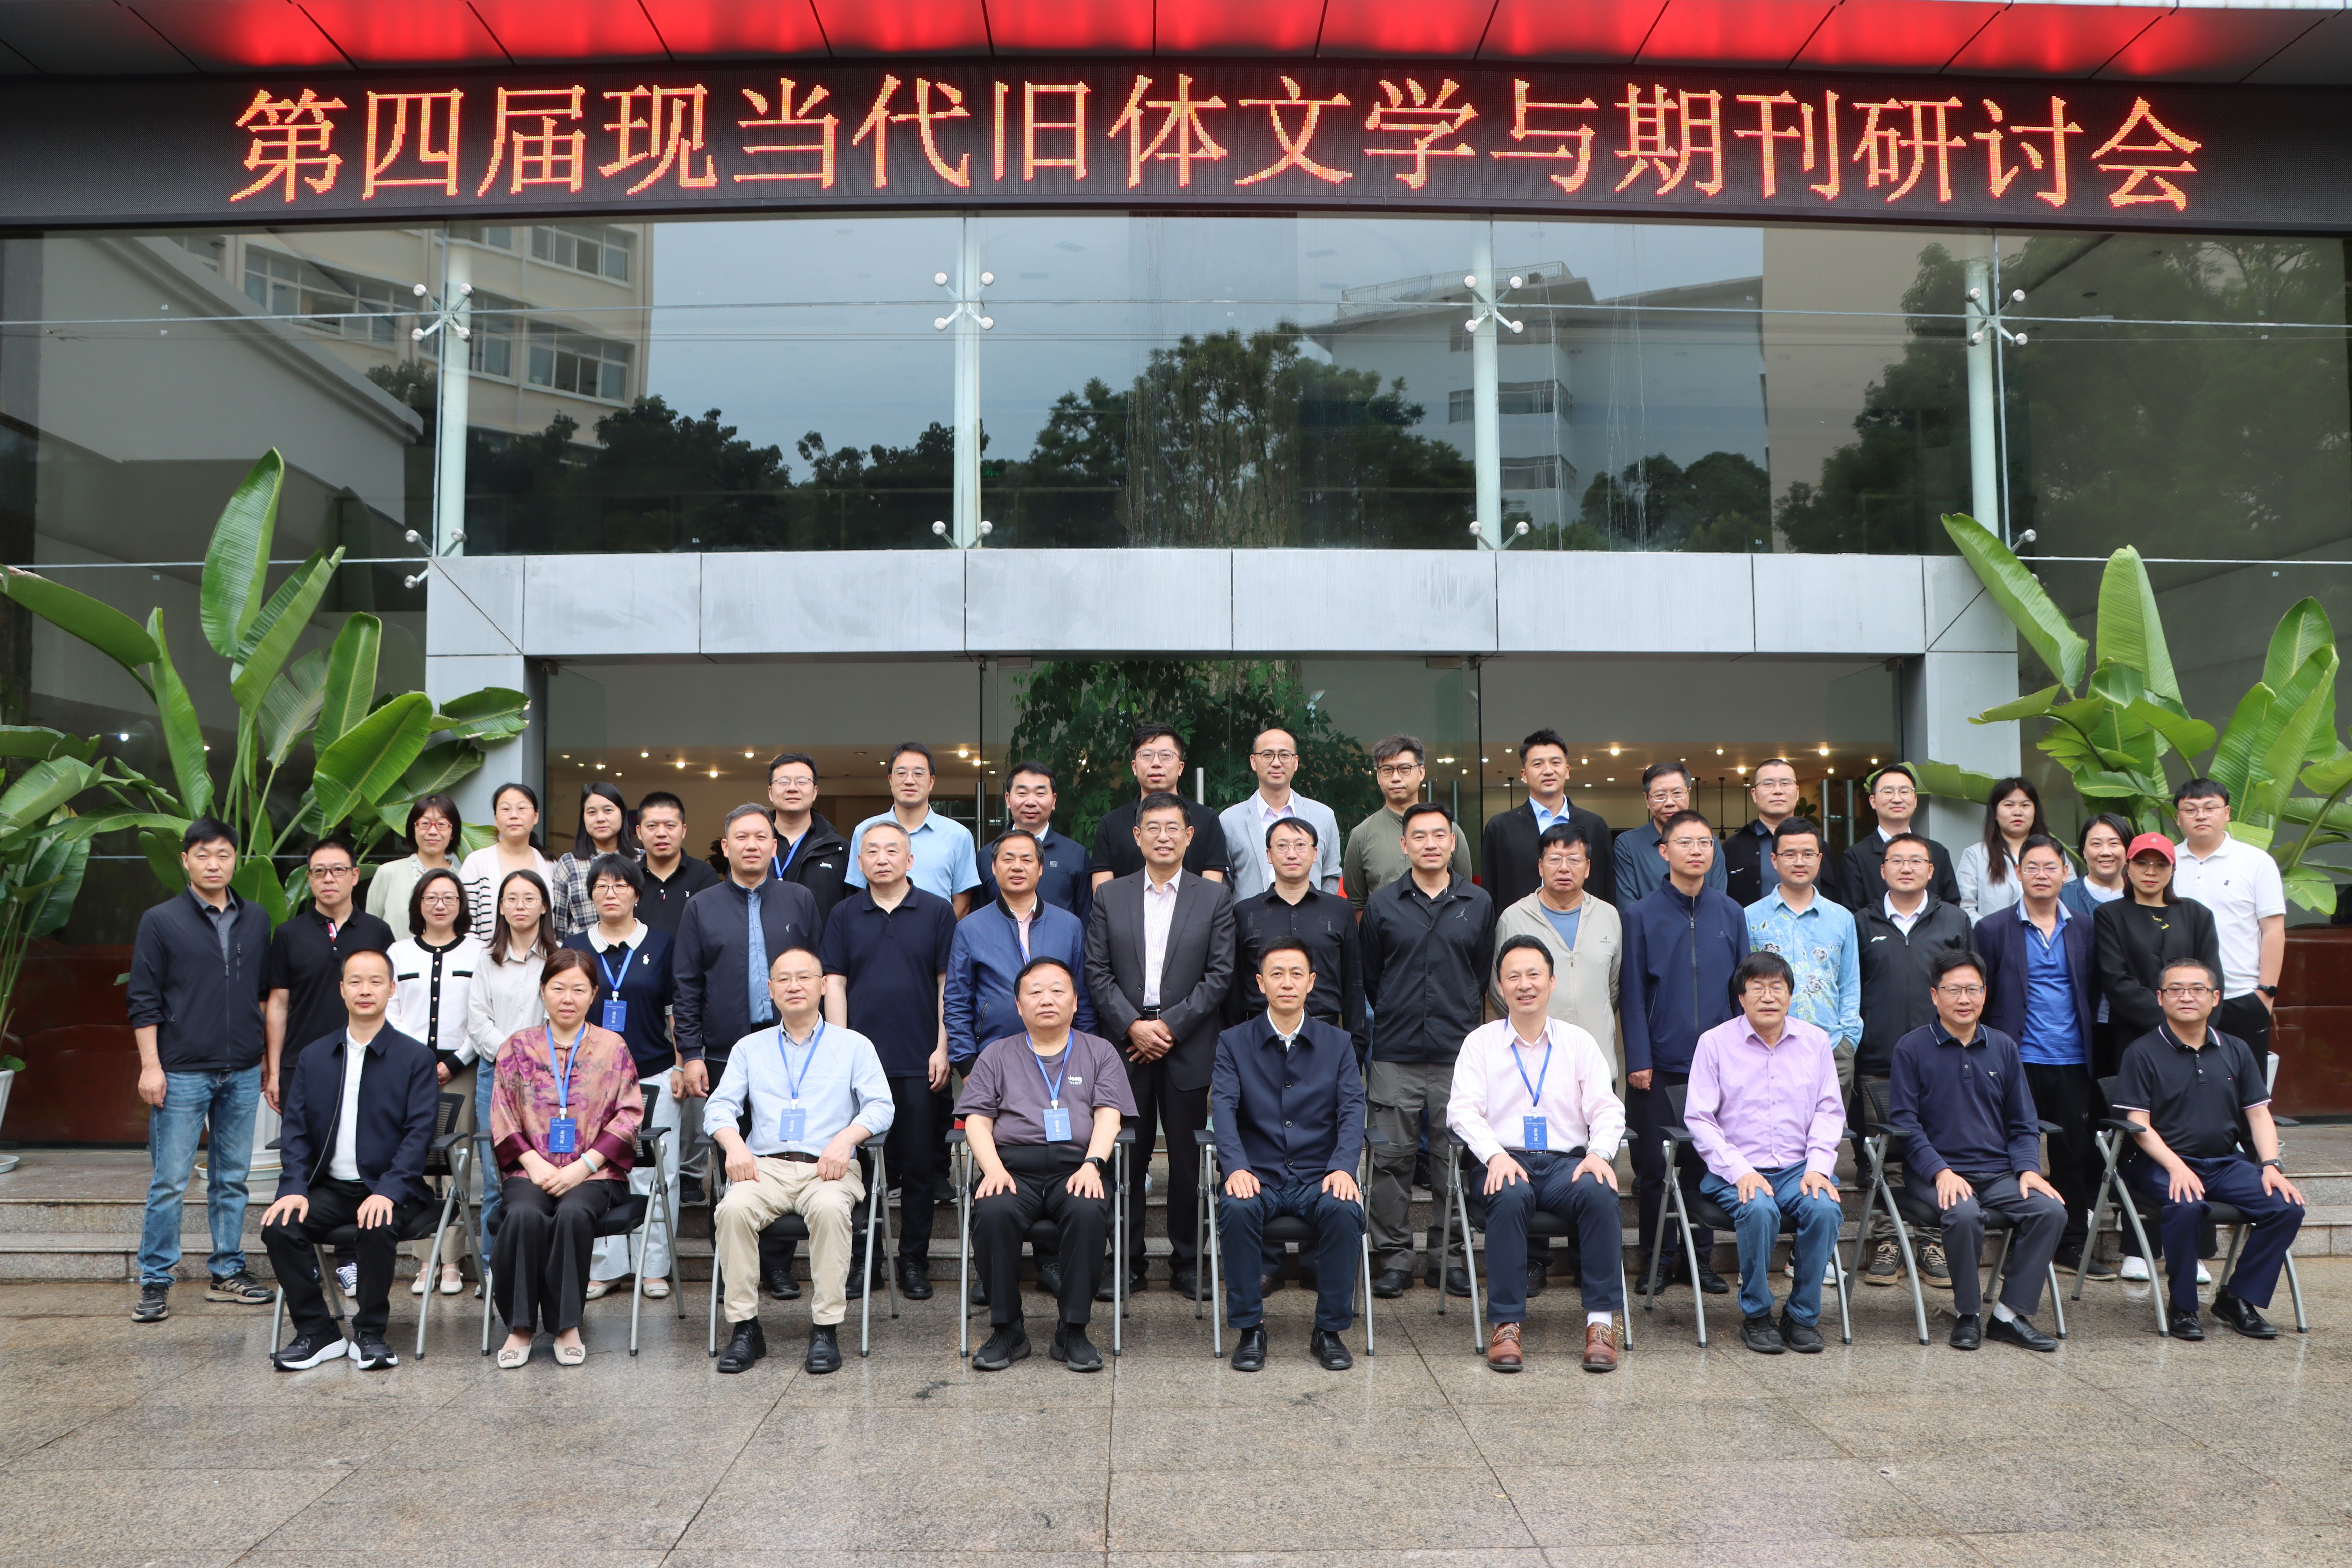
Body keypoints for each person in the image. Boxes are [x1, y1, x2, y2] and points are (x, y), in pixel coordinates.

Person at [708, 947, 895, 1374]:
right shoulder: (749, 1048)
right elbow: (719, 1107)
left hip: (828, 1166)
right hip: (765, 1167)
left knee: (830, 1209)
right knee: (732, 1208)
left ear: (824, 985)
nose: (795, 986)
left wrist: (846, 1139)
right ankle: (745, 1328)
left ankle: (826, 1328)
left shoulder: (853, 1045)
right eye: (785, 979)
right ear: (771, 989)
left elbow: (881, 1106)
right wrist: (733, 1144)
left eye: (805, 977)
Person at [1085, 791, 1238, 1298]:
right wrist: (1133, 1025)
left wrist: (1169, 1027)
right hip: (1125, 1045)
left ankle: (1189, 1261)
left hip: (1187, 1043)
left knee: (1188, 1161)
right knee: (1125, 1155)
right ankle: (1126, 1260)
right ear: (1137, 836)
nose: (1164, 836)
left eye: (1174, 828)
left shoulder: (1213, 897)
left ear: (1189, 836)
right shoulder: (1111, 896)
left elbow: (1220, 974)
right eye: (1153, 827)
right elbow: (1096, 970)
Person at [1451, 936, 1627, 1373]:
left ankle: (1601, 1323)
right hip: (1504, 1160)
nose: (1524, 984)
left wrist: (1599, 1153)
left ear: (1552, 982)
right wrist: (1494, 1155)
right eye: (1513, 976)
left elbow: (1607, 1108)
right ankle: (1507, 1325)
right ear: (1500, 986)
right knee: (1510, 1194)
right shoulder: (1480, 1043)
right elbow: (1462, 1111)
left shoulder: (1578, 1042)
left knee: (1600, 1191)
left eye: (1534, 975)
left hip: (1567, 1164)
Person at [125, 818, 274, 1323]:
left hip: (242, 1070)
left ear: (236, 860)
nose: (214, 864)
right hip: (182, 1071)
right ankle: (155, 1279)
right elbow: (143, 999)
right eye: (203, 854)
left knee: (232, 1178)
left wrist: (264, 1057)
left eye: (224, 854)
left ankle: (228, 1270)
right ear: (186, 860)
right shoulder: (161, 920)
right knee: (170, 1180)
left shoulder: (255, 918)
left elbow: (262, 993)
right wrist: (151, 1066)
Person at [261, 948, 439, 1370]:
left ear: (391, 989)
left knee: (375, 1221)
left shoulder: (415, 1058)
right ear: (342, 989)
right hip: (331, 1188)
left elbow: (418, 1136)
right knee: (279, 1225)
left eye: (376, 981)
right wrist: (293, 1187)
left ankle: (370, 1332)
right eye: (355, 981)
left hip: (394, 1189)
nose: (365, 990)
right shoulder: (315, 1056)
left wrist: (388, 1191)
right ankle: (317, 1330)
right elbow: (296, 1130)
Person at [674, 805, 825, 1300]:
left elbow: (816, 972)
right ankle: (732, 1265)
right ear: (726, 846)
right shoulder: (702, 907)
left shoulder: (800, 899)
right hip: (724, 1050)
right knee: (732, 1159)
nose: (752, 845)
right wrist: (691, 1053)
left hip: (791, 1048)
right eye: (742, 837)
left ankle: (777, 1266)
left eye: (762, 836)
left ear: (774, 846)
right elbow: (687, 985)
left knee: (783, 1153)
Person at [958, 958, 1137, 1372]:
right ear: (1019, 1006)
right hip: (1011, 1168)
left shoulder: (1100, 1051)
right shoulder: (996, 1054)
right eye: (1035, 991)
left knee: (1088, 1209)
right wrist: (993, 1168)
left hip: (1077, 1167)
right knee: (993, 1211)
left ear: (1075, 1002)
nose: (1047, 999)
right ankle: (1008, 1329)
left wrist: (1093, 1164)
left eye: (1058, 990)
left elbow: (1109, 1116)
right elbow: (977, 1121)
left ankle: (1072, 1330)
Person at [1886, 947, 2068, 1352]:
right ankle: (1967, 1312)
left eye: (1973, 989)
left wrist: (2028, 1168)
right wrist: (1941, 1171)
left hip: (1999, 1172)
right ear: (1935, 995)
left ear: (1985, 993)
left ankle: (2008, 1314)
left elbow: (2023, 1121)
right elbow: (1906, 1124)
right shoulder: (1912, 1048)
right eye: (1954, 990)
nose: (1964, 999)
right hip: (1937, 1173)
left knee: (2050, 1209)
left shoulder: (2004, 1046)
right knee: (1964, 1213)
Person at [2112, 959, 2306, 1340]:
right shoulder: (2142, 1052)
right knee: (2185, 1206)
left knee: (2286, 1207)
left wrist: (2271, 1164)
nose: (2187, 996)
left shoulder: (2236, 1049)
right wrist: (2176, 1166)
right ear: (2160, 998)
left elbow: (2259, 1114)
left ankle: (2237, 1298)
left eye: (2198, 989)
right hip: (2160, 1164)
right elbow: (2139, 1125)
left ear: (2215, 998)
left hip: (2224, 1163)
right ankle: (2184, 1305)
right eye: (2176, 989)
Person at [1213, 939, 1367, 1372]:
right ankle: (1250, 1329)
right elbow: (1222, 1107)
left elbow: (1352, 1109)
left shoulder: (1338, 1043)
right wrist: (1235, 1166)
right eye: (1276, 973)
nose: (1287, 982)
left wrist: (1344, 1167)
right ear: (1260, 982)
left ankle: (1329, 1330)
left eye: (1297, 974)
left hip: (1319, 1173)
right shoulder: (1233, 1042)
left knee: (1344, 1209)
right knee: (1237, 1208)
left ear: (1311, 982)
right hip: (1258, 1172)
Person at [1359, 802, 1493, 1299]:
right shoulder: (1383, 904)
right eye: (1420, 836)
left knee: (1451, 1159)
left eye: (1440, 834)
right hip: (1395, 1052)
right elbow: (1372, 976)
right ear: (1405, 845)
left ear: (1453, 842)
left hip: (1458, 1054)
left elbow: (1481, 972)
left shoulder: (1478, 902)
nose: (1431, 844)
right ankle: (1394, 1258)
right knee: (1389, 1160)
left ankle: (1449, 1259)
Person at [820, 820, 958, 1302]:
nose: (882, 858)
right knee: (859, 1167)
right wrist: (839, 1052)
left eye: (892, 851)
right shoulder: (844, 913)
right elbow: (834, 983)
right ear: (859, 862)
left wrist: (943, 1046)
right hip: (859, 1065)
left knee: (919, 1167)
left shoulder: (938, 911)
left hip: (921, 1060)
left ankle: (914, 1261)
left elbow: (947, 984)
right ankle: (866, 1261)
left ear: (910, 860)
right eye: (872, 851)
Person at [488, 949, 643, 1368]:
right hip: (531, 1170)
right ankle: (521, 1326)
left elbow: (630, 1114)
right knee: (523, 1214)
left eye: (578, 989)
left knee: (574, 1214)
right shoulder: (517, 1047)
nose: (568, 998)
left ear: (594, 994)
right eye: (558, 988)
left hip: (595, 1174)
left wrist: (582, 1167)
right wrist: (534, 1164)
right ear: (543, 991)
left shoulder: (612, 1047)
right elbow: (502, 1114)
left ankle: (566, 1324)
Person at [1685, 952, 1845, 1355]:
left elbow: (1829, 1110)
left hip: (1798, 1168)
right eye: (1757, 987)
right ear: (1741, 996)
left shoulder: (1815, 1041)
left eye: (1777, 987)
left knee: (1825, 1208)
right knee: (1758, 1208)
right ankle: (1757, 1314)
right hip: (1735, 1168)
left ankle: (1802, 1315)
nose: (1768, 996)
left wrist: (1819, 1166)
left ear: (1791, 994)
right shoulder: (1715, 1043)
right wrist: (1740, 1169)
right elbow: (1700, 1118)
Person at [1622, 810, 1747, 1296]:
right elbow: (1633, 993)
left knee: (1706, 1163)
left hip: (1718, 1065)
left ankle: (1701, 1260)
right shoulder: (1641, 914)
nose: (1697, 851)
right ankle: (1657, 1259)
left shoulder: (1730, 912)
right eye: (1686, 842)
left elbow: (1742, 992)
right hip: (1659, 1064)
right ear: (1664, 852)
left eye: (1705, 843)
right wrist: (1639, 1058)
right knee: (1654, 1170)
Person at [1974, 836, 2102, 1282]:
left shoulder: (2085, 927)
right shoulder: (1992, 929)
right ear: (2018, 873)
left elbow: (2093, 990)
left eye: (2051, 867)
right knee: (2014, 1149)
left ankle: (2072, 1244)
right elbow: (1985, 997)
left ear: (2066, 873)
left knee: (2073, 1153)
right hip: (2016, 1058)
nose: (2042, 875)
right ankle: (2019, 1244)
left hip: (2072, 1057)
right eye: (2032, 867)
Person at [1853, 831, 1972, 1288]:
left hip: (1941, 1056)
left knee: (1939, 1148)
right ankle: (1888, 1239)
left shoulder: (1954, 920)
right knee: (1884, 1155)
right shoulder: (1860, 922)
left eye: (1916, 861)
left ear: (1931, 870)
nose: (1906, 868)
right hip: (1878, 1057)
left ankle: (1931, 1239)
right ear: (1882, 869)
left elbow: (1969, 989)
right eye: (1897, 860)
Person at [560, 855, 680, 1302]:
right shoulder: (575, 947)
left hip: (653, 1072)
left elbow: (676, 1012)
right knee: (600, 1172)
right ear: (591, 895)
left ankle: (653, 1267)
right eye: (602, 886)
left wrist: (682, 1064)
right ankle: (605, 1267)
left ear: (637, 893)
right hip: (590, 1081)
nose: (611, 893)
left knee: (657, 1172)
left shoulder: (662, 944)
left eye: (621, 885)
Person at [385, 868, 482, 1298]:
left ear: (461, 904)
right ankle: (425, 1258)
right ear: (418, 904)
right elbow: (390, 1008)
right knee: (416, 1159)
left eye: (449, 897)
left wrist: (456, 1059)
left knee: (458, 1161)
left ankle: (453, 1259)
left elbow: (481, 1012)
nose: (440, 904)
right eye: (431, 897)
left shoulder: (479, 951)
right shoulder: (399, 952)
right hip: (408, 1070)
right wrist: (418, 1060)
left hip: (462, 1066)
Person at [465, 869, 552, 1291]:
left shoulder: (557, 956)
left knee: (543, 1167)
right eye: (512, 898)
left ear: (544, 905)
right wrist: (511, 1052)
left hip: (548, 1076)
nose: (520, 905)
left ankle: (540, 1264)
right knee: (494, 1171)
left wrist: (531, 1056)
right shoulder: (487, 958)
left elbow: (562, 1013)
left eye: (529, 897)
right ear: (500, 907)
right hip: (494, 1073)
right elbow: (477, 1018)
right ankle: (492, 1266)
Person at [265, 835, 395, 1112]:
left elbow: (393, 1000)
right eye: (319, 872)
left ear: (355, 875)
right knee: (302, 1140)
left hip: (369, 1062)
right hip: (301, 1064)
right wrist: (275, 1072)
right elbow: (278, 1005)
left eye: (338, 870)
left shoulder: (378, 932)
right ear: (309, 878)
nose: (329, 879)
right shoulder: (289, 934)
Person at [947, 830, 1097, 1070]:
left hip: (1063, 1058)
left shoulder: (1069, 926)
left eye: (1027, 860)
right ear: (994, 867)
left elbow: (1084, 1000)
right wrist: (966, 1064)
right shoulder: (970, 928)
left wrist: (1088, 1057)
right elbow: (957, 1001)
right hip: (993, 1058)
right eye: (1008, 859)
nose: (1017, 867)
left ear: (1041, 868)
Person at [2170, 778, 2287, 1077]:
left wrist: (2265, 995)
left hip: (2241, 996)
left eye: (2210, 808)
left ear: (2227, 813)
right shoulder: (2165, 863)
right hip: (2181, 1000)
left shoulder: (2256, 862)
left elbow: (2273, 930)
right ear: (2178, 818)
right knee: (2183, 1086)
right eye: (2191, 810)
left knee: (2245, 1088)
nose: (2201, 816)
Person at [1490, 828, 1621, 1079]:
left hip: (1597, 1065)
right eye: (1554, 859)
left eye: (1574, 860)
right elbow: (1500, 992)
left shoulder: (1609, 916)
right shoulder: (1514, 918)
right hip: (1535, 1068)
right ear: (1541, 867)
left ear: (1588, 868)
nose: (1564, 868)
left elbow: (1613, 989)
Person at [1228, 817, 1366, 1055]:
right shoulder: (1245, 913)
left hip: (1327, 1040)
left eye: (1301, 845)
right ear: (1269, 854)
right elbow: (1234, 989)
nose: (1291, 854)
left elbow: (1353, 982)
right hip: (1258, 1041)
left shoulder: (1340, 910)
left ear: (1315, 853)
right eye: (1282, 846)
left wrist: (1356, 1050)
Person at [1745, 818, 1861, 1097]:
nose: (1800, 862)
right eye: (1790, 854)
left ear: (1820, 860)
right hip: (1766, 1047)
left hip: (1831, 1047)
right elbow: (1743, 985)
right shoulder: (1750, 917)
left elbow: (1850, 984)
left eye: (1808, 854)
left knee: (1829, 1125)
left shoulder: (1841, 918)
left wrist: (1848, 1040)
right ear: (1774, 860)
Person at [1480, 729, 1616, 913]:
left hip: (1584, 927)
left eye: (1556, 763)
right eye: (1538, 764)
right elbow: (1490, 892)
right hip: (1519, 928)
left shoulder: (1595, 827)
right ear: (1524, 774)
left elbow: (1606, 889)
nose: (1548, 771)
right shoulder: (1500, 828)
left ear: (1567, 771)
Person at [1341, 734, 1473, 914]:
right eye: (1387, 770)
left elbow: (1466, 894)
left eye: (1405, 769)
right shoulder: (1361, 835)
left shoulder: (1449, 831)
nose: (1396, 778)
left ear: (1421, 772)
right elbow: (1358, 905)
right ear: (1378, 776)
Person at [845, 742, 981, 915]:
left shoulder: (958, 836)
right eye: (901, 773)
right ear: (890, 780)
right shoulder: (865, 832)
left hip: (938, 932)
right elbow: (860, 896)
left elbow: (962, 906)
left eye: (918, 774)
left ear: (932, 781)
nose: (909, 781)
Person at [1090, 723, 1231, 889]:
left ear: (1181, 767)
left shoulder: (1207, 820)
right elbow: (1104, 895)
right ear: (1134, 767)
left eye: (1166, 756)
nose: (1156, 763)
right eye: (1147, 755)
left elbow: (1212, 894)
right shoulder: (1111, 824)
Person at [1220, 726, 1343, 900]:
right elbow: (1224, 885)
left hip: (1311, 916)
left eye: (1285, 755)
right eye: (1267, 755)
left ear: (1296, 762)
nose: (1276, 763)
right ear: (1254, 762)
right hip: (1250, 917)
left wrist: (1320, 911)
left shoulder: (1323, 816)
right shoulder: (1230, 820)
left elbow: (1330, 875)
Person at [1829, 764, 1961, 910]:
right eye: (1888, 792)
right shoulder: (1856, 857)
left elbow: (1952, 909)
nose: (1897, 799)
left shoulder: (1937, 852)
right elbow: (1852, 914)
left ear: (1915, 800)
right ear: (1873, 801)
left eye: (1904, 792)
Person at [976, 760, 1092, 925]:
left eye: (1040, 794)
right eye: (1022, 793)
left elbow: (1086, 919)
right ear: (1008, 800)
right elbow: (978, 919)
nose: (1031, 802)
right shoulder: (987, 855)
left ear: (1054, 801)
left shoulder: (1076, 855)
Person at [1614, 762, 1727, 903]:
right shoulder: (1628, 844)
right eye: (1660, 795)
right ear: (1647, 799)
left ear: (1689, 794)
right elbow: (1628, 906)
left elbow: (1719, 902)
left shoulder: (1709, 843)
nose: (1670, 802)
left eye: (1677, 794)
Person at [1958, 777, 2067, 920]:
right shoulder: (1975, 855)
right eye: (2009, 805)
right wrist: (1991, 930)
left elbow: (2071, 898)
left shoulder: (2055, 853)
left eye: (2025, 805)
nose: (2018, 812)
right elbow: (1965, 909)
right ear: (1995, 813)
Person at [458, 782, 555, 939]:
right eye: (505, 809)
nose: (514, 816)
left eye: (522, 809)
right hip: (487, 953)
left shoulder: (549, 864)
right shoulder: (477, 862)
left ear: (536, 816)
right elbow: (465, 921)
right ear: (496, 819)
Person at [765, 752, 851, 921]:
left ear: (815, 792)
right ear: (770, 792)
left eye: (802, 782)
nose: (792, 788)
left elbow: (850, 909)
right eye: (783, 782)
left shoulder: (838, 848)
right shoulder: (753, 844)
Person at [548, 781, 641, 937]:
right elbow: (560, 925)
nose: (600, 819)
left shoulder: (641, 860)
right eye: (592, 812)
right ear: (583, 818)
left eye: (608, 811)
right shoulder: (569, 864)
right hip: (581, 951)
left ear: (622, 814)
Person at [366, 793, 462, 941]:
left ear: (453, 833)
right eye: (425, 824)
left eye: (442, 825)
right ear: (413, 829)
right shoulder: (388, 873)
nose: (433, 831)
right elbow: (370, 929)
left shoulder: (464, 878)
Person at [635, 790, 721, 934]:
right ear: (639, 832)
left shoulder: (704, 876)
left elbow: (712, 933)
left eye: (670, 826)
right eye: (652, 826)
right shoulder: (628, 878)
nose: (661, 833)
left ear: (683, 830)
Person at [1723, 758, 1801, 907]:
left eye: (1785, 784)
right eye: (1768, 784)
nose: (1778, 791)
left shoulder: (1818, 845)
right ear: (1754, 794)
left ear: (1797, 792)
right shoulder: (1733, 847)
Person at [2061, 813, 2132, 924]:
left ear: (2128, 850)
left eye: (2114, 843)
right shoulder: (2063, 897)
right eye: (2096, 844)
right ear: (2084, 851)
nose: (2105, 852)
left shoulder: (2143, 898)